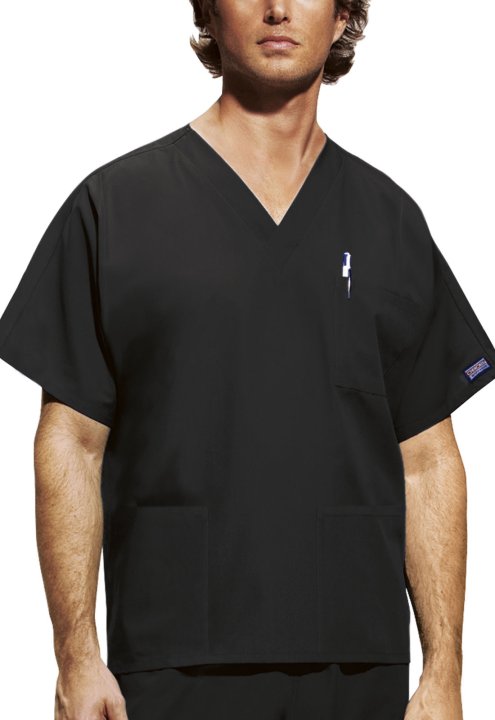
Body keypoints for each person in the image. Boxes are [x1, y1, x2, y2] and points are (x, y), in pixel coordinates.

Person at [0, 0, 493, 718]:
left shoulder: (388, 220)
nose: (277, 8)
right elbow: (70, 440)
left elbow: (428, 460)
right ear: (208, 11)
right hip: (168, 664)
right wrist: (76, 657)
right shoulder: (117, 206)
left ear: (342, 17)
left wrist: (444, 670)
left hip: (357, 667)